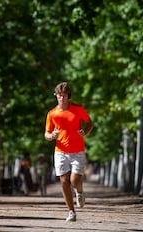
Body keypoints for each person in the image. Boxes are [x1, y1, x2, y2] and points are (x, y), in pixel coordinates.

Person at [44, 82, 93, 222]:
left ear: (68, 96)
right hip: (60, 151)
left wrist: (85, 131)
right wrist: (51, 136)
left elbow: (90, 123)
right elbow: (46, 134)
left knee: (74, 179)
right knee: (64, 181)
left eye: (64, 96)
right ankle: (71, 212)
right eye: (59, 96)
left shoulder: (78, 109)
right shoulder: (52, 114)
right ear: (56, 96)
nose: (61, 99)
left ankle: (80, 191)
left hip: (77, 150)